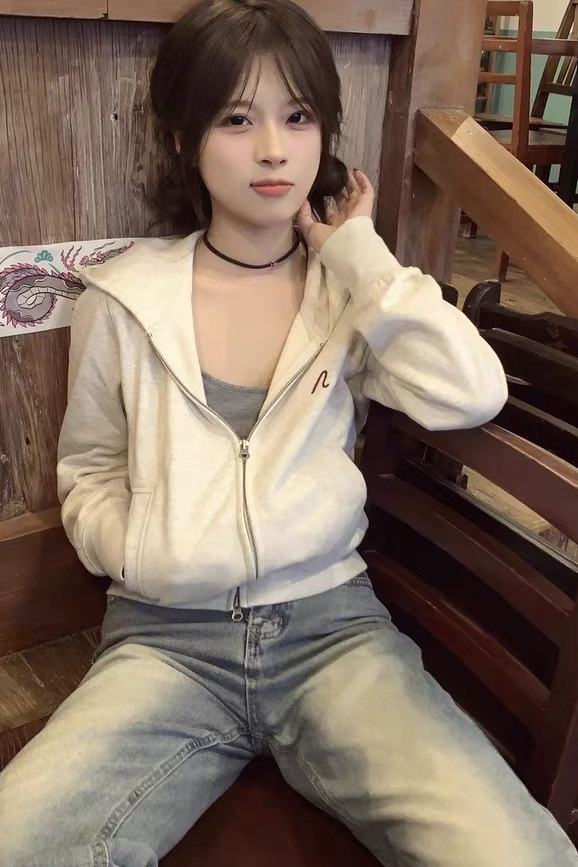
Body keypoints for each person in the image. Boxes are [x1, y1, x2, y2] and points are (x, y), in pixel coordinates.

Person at [0, 1, 576, 865]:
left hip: (333, 635)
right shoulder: (122, 299)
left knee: (519, 853)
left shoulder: (350, 293)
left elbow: (471, 391)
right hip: (166, 640)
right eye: (237, 119)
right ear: (185, 138)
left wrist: (360, 256)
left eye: (298, 116)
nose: (274, 148)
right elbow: (90, 465)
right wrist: (140, 551)